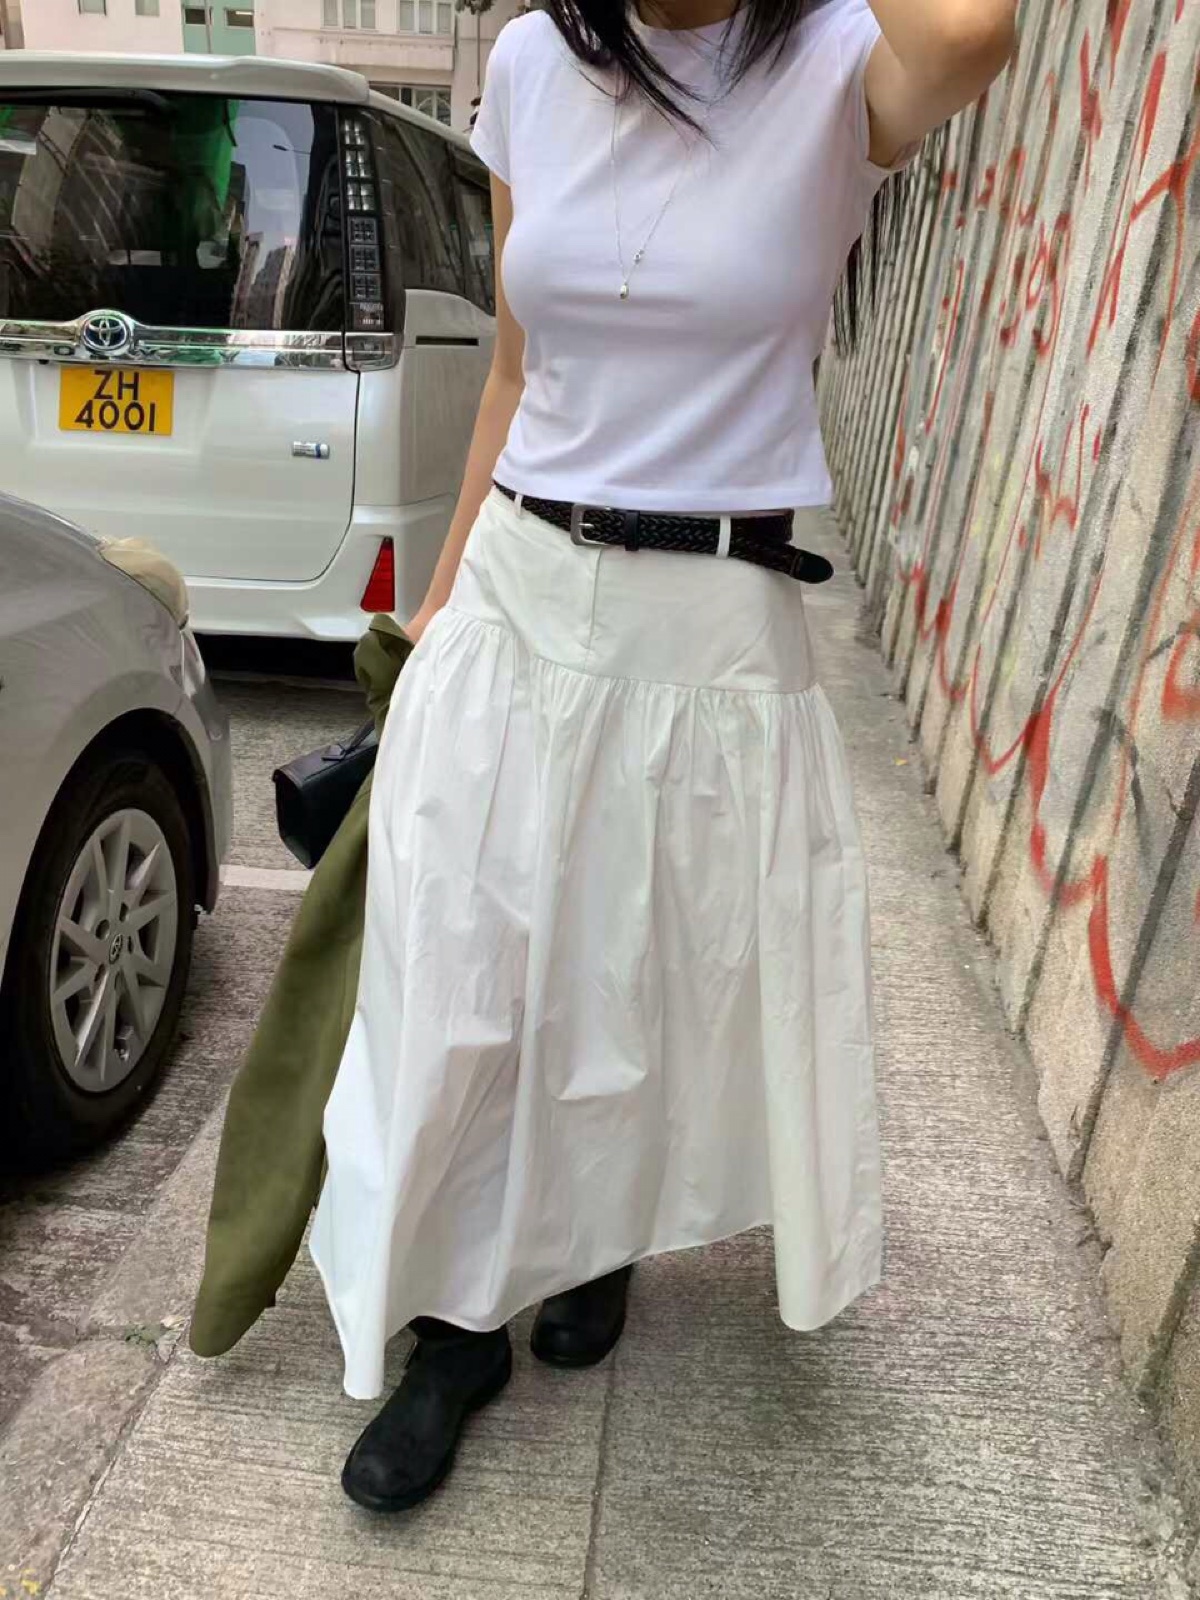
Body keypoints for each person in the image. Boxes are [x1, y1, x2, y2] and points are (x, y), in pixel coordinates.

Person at [313, 0, 1016, 1513]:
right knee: (465, 979)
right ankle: (454, 1329)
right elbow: (516, 368)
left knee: (638, 974)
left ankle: (596, 1234)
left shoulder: (837, 63)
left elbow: (971, 37)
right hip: (521, 586)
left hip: (711, 619)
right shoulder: (528, 61)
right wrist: (437, 603)